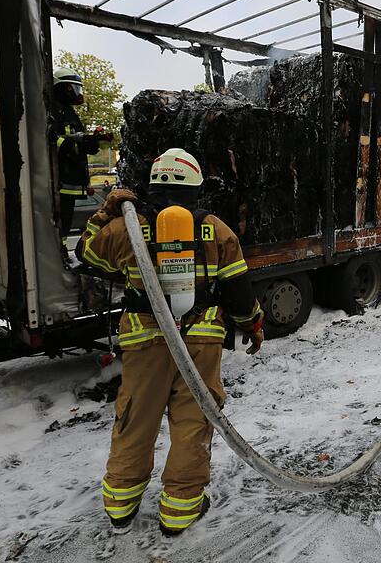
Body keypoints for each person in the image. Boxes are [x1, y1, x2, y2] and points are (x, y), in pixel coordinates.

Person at [77, 148, 264, 537]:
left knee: (136, 420)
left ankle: (120, 508)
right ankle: (180, 511)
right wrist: (253, 325)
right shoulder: (217, 229)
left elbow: (86, 255)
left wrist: (106, 214)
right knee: (193, 423)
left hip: (144, 342)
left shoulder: (128, 227)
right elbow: (238, 290)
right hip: (201, 341)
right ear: (196, 187)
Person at [50, 67, 112, 237]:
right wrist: (73, 146)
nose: (76, 93)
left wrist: (92, 141)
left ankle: (62, 252)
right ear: (61, 88)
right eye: (72, 88)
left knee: (66, 219)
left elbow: (78, 140)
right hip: (62, 179)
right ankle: (61, 251)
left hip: (70, 179)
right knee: (61, 219)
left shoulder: (69, 112)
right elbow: (52, 138)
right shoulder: (54, 111)